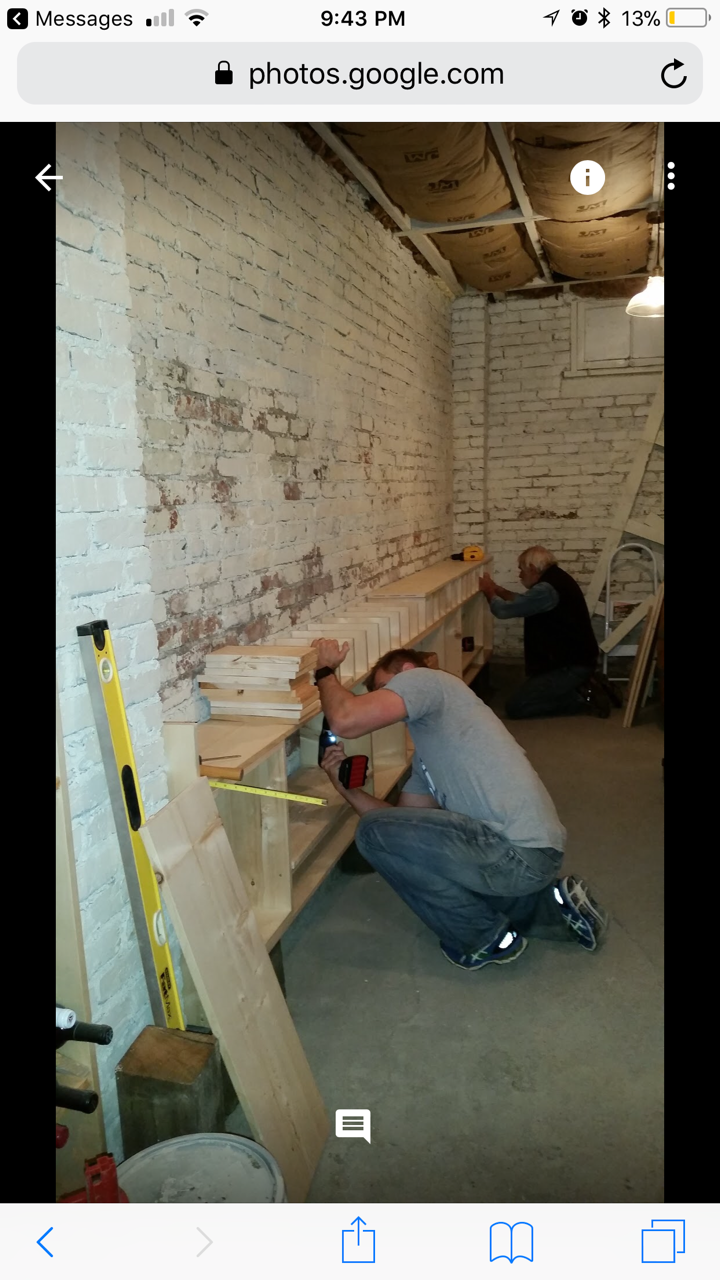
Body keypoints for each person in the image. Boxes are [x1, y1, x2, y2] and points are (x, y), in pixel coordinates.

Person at [310, 639, 608, 972]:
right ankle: (551, 908)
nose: (382, 700)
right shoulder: (430, 751)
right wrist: (346, 788)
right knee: (379, 833)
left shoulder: (426, 681)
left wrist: (325, 670)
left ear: (406, 670)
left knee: (369, 832)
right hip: (530, 855)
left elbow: (345, 720)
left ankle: (483, 938)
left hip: (513, 851)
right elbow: (399, 826)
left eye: (383, 689)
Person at [478, 545, 614, 720]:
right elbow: (524, 602)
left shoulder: (546, 590)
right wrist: (497, 589)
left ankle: (584, 699)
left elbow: (503, 611)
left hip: (570, 666)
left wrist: (488, 591)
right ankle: (580, 687)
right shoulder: (555, 580)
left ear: (532, 568)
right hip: (570, 661)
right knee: (532, 694)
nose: (520, 575)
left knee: (516, 707)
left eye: (521, 570)